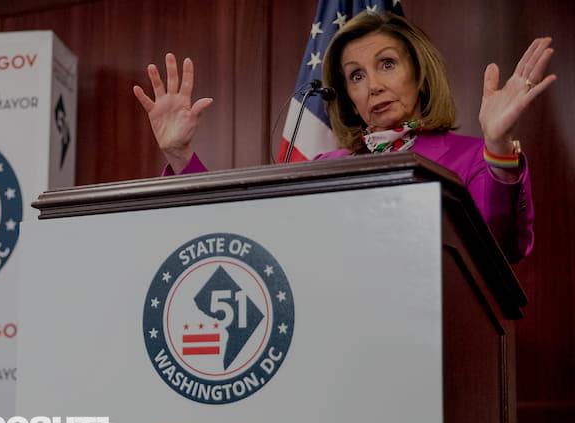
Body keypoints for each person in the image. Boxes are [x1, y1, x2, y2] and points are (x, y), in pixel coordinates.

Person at [133, 12, 556, 263]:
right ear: (348, 97)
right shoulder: (325, 168)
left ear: (420, 74)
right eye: (356, 75)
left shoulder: (475, 159)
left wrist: (498, 145)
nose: (373, 85)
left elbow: (501, 250)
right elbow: (246, 238)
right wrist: (180, 155)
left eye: (387, 64)